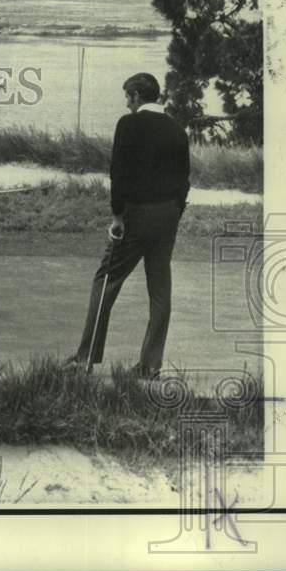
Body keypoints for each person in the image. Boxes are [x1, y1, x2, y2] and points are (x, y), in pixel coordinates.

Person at [66, 72, 190, 380]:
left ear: (136, 96)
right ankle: (149, 366)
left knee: (106, 279)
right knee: (160, 288)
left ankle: (86, 358)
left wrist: (117, 216)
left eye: (128, 96)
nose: (127, 102)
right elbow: (184, 179)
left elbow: (118, 173)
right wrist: (176, 212)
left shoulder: (128, 124)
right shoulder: (177, 129)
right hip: (168, 214)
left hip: (136, 214)